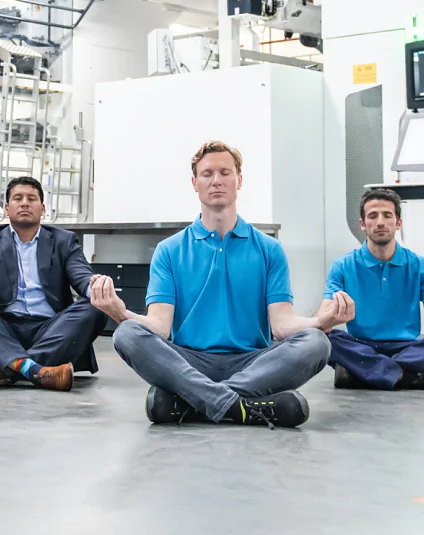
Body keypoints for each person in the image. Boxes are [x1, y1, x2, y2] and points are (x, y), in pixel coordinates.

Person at [89, 140, 341, 427]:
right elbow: (160, 327)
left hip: (254, 362)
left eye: (225, 172)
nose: (217, 181)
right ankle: (243, 407)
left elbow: (281, 326)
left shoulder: (269, 249)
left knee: (316, 342)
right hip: (188, 362)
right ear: (195, 183)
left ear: (239, 180)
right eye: (207, 174)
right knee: (127, 334)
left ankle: (192, 403)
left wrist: (322, 320)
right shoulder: (170, 250)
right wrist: (119, 313)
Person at [0, 175, 105, 392]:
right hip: (3, 328)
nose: (25, 203)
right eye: (18, 198)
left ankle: (7, 368)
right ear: (7, 208)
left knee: (97, 306)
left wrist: (94, 286)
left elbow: (81, 274)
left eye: (32, 198)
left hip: (51, 329)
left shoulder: (64, 240)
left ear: (43, 208)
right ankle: (39, 371)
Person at [324, 187, 424, 391]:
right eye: (373, 216)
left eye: (387, 215)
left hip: (407, 348)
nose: (380, 222)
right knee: (324, 340)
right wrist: (327, 319)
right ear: (362, 224)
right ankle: (411, 378)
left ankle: (365, 374)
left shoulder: (421, 265)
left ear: (398, 223)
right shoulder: (342, 266)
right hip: (361, 346)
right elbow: (322, 315)